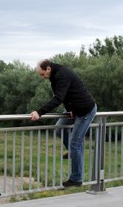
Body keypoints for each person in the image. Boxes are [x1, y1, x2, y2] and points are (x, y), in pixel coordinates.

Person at [30, 59, 97, 188]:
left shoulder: (62, 75)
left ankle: (76, 179)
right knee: (59, 128)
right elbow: (65, 95)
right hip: (74, 109)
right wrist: (70, 109)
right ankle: (73, 152)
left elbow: (58, 98)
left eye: (42, 74)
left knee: (75, 143)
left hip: (85, 111)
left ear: (48, 69)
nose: (42, 77)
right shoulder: (54, 76)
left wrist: (39, 112)